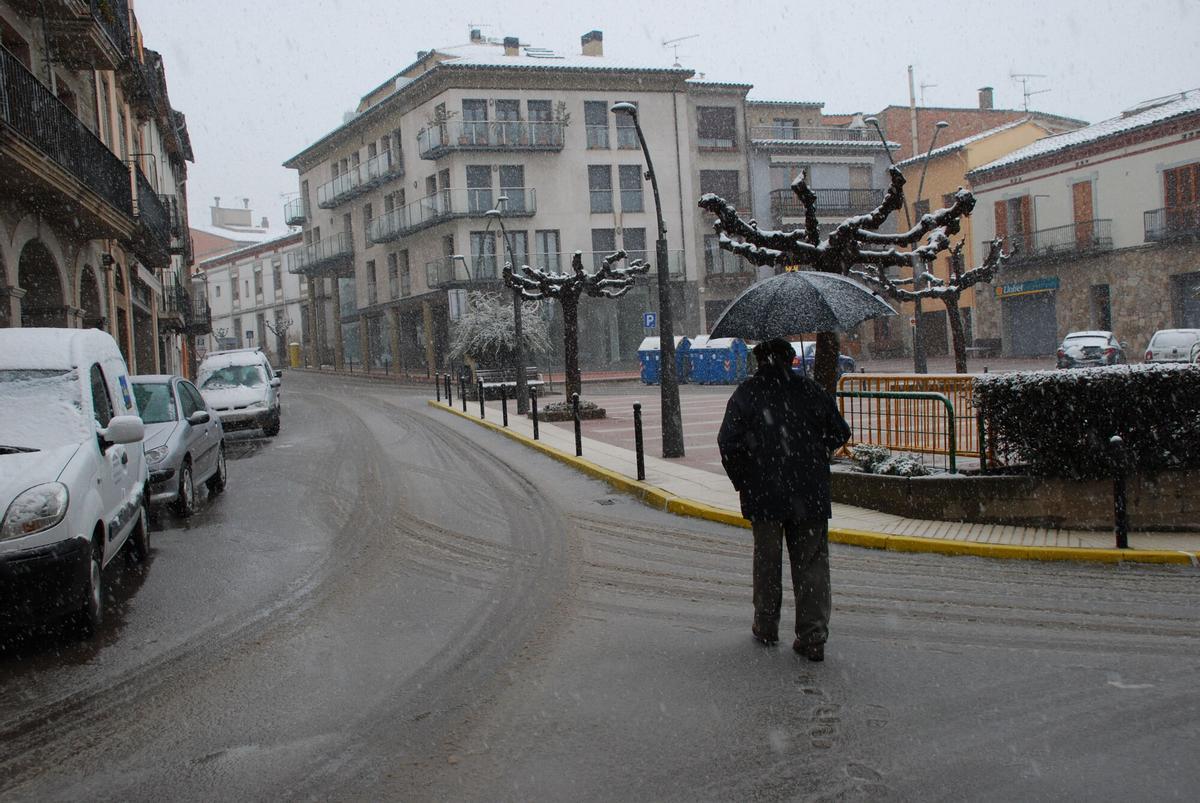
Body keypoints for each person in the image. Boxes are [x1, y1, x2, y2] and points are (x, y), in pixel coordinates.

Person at [717, 338, 851, 662]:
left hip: (764, 494)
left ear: (759, 360)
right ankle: (813, 636)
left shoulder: (746, 394)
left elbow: (727, 443)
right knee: (812, 564)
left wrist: (744, 479)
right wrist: (816, 452)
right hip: (810, 491)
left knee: (767, 561)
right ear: (791, 358)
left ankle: (766, 626)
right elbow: (840, 432)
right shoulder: (811, 390)